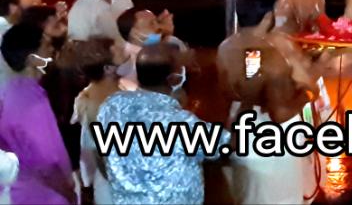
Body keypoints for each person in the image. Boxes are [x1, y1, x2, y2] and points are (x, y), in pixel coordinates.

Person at [217, 0, 320, 204]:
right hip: (272, 144)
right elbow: (280, 114)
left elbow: (249, 81)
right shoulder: (268, 56)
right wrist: (309, 93)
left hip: (241, 131)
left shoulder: (228, 46)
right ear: (267, 16)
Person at [98, 43, 229, 204]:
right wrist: (247, 103)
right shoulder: (179, 122)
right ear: (173, 79)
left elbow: (100, 154)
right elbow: (227, 145)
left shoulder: (112, 105)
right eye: (183, 69)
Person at [0, 22, 75, 204]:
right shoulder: (30, 101)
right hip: (43, 195)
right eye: (46, 45)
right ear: (32, 59)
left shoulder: (13, 91)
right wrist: (68, 193)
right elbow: (47, 164)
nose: (51, 50)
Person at [69, 38, 122, 204]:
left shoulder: (89, 95)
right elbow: (104, 156)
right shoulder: (101, 105)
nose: (125, 53)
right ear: (108, 69)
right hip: (115, 186)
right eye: (119, 52)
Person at [114, 7, 188, 92]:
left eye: (157, 21)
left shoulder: (171, 43)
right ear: (134, 33)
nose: (159, 27)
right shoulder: (128, 66)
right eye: (151, 24)